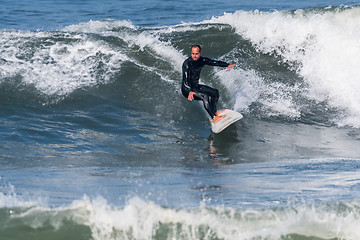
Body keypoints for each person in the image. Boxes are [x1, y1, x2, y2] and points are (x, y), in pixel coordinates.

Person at [182, 45, 235, 123]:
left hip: (196, 87)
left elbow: (215, 62)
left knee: (215, 92)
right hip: (186, 89)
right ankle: (214, 118)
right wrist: (189, 91)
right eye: (193, 53)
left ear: (200, 53)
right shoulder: (187, 63)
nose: (194, 56)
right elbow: (185, 79)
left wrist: (227, 65)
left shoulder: (202, 60)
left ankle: (214, 112)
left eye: (196, 54)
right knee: (205, 96)